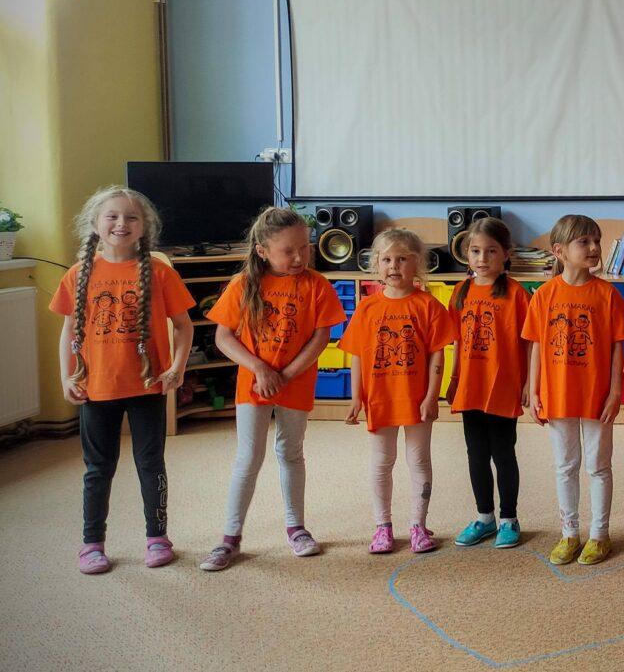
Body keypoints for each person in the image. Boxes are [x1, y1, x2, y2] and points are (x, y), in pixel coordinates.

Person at [52, 187, 195, 574]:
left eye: (132, 217)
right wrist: (66, 375)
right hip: (97, 389)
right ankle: (92, 543)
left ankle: (157, 538)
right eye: (112, 216)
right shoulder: (78, 275)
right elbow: (68, 331)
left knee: (151, 464)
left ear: (144, 226)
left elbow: (184, 326)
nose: (121, 224)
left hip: (148, 387)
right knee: (98, 468)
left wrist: (178, 367)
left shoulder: (160, 273)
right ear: (95, 224)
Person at [200, 207, 346, 571]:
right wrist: (261, 369)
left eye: (304, 247)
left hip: (296, 383)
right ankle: (230, 538)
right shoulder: (243, 284)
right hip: (254, 384)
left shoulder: (317, 285)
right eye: (288, 251)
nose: (299, 257)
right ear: (263, 251)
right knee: (248, 457)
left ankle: (297, 528)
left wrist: (288, 374)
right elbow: (223, 337)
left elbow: (320, 337)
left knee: (291, 453)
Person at [522, 214, 624, 566]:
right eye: (584, 242)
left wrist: (615, 392)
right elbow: (536, 345)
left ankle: (599, 535)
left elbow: (617, 346)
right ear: (559, 251)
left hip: (597, 395)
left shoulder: (607, 294)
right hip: (557, 394)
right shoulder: (544, 295)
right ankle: (569, 533)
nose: (594, 247)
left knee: (598, 466)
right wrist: (533, 390)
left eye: (596, 240)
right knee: (565, 465)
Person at [340, 228, 456, 554]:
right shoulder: (367, 307)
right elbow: (357, 355)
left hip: (417, 399)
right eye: (387, 259)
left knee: (418, 459)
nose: (394, 266)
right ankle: (383, 526)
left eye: (402, 259)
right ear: (376, 264)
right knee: (381, 461)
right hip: (379, 398)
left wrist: (432, 396)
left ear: (417, 264)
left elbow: (437, 355)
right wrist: (356, 397)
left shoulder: (428, 305)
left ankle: (418, 525)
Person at [446, 216, 530, 551]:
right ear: (467, 254)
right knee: (476, 454)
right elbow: (456, 341)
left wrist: (528, 383)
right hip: (471, 386)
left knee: (503, 453)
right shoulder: (460, 292)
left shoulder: (517, 294)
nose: (482, 258)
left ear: (506, 253)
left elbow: (529, 343)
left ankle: (509, 518)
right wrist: (454, 379)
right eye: (475, 251)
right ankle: (485, 517)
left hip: (503, 386)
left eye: (491, 251)